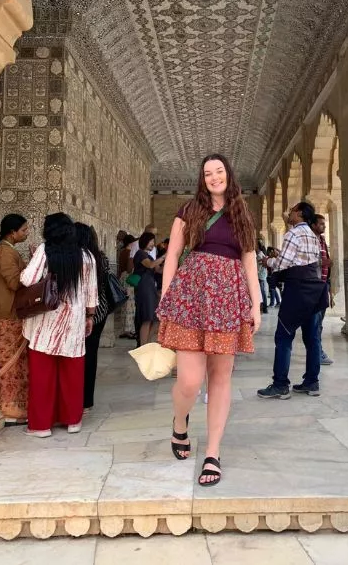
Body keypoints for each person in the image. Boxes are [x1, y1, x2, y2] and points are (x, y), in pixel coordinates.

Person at [157, 153, 261, 487]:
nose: (214, 177)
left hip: (228, 299)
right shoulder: (189, 211)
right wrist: (166, 296)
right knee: (189, 380)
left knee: (220, 377)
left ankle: (213, 452)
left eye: (219, 171)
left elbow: (249, 261)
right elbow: (173, 255)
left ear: (228, 174)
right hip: (191, 297)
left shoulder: (242, 213)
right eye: (207, 173)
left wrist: (256, 303)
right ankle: (180, 422)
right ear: (202, 180)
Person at [20, 213, 98, 438]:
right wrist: (90, 317)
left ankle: (41, 426)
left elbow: (27, 279)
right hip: (73, 322)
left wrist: (33, 261)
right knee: (72, 374)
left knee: (42, 377)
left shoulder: (44, 251)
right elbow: (91, 292)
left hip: (45, 323)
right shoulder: (86, 256)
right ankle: (73, 421)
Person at [257, 202, 327, 400]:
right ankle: (312, 382)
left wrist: (268, 261)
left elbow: (283, 263)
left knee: (284, 337)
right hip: (315, 290)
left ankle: (280, 384)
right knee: (312, 339)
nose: (289, 213)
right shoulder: (313, 236)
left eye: (293, 210)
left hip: (298, 290)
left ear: (300, 213)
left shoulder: (293, 234)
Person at [0, 214, 29, 425]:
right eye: (24, 230)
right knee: (7, 365)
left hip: (9, 314)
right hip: (4, 315)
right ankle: (8, 411)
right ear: (12, 233)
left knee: (16, 364)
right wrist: (32, 269)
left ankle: (15, 409)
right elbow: (14, 282)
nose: (27, 233)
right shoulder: (4, 252)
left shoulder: (8, 250)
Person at [75, 223, 110, 410]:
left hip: (85, 312)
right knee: (91, 355)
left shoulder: (79, 258)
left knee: (78, 356)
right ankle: (87, 400)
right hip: (100, 310)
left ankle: (77, 398)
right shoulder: (100, 257)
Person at [133, 232, 166, 346]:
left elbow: (159, 270)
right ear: (145, 241)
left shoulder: (149, 256)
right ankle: (143, 345)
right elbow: (150, 265)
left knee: (155, 318)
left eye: (153, 241)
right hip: (144, 288)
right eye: (151, 241)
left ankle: (147, 343)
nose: (153, 244)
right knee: (147, 318)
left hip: (151, 288)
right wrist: (163, 256)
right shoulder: (140, 254)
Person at [311, 214, 334, 365]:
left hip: (323, 285)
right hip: (313, 286)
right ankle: (317, 353)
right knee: (315, 322)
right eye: (321, 224)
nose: (324, 226)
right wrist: (322, 262)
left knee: (319, 323)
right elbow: (305, 261)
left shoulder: (322, 241)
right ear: (313, 225)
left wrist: (329, 289)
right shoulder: (310, 240)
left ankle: (317, 352)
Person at [117, 234, 137, 340]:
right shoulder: (129, 252)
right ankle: (129, 330)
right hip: (128, 278)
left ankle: (124, 329)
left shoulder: (122, 252)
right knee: (130, 304)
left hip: (122, 278)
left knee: (124, 305)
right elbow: (129, 269)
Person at [256, 240, 268, 314]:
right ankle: (264, 308)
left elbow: (260, 267)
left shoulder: (260, 255)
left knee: (262, 292)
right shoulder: (260, 254)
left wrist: (256, 273)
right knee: (262, 292)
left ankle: (264, 308)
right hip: (262, 275)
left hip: (261, 276)